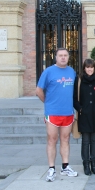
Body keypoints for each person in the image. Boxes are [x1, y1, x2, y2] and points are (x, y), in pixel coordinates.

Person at [36, 47, 78, 182]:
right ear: (56, 57)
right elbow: (39, 90)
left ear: (68, 57)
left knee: (65, 139)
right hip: (52, 113)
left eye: (65, 55)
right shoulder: (48, 72)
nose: (63, 58)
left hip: (68, 112)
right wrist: (47, 103)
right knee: (52, 140)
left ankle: (65, 167)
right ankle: (52, 169)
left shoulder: (72, 72)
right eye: (60, 55)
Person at [74, 59, 95, 176]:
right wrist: (81, 109)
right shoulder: (79, 81)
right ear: (84, 68)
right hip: (84, 116)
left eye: (91, 67)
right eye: (87, 67)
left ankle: (94, 163)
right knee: (85, 141)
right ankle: (86, 164)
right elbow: (75, 99)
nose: (89, 69)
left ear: (94, 69)